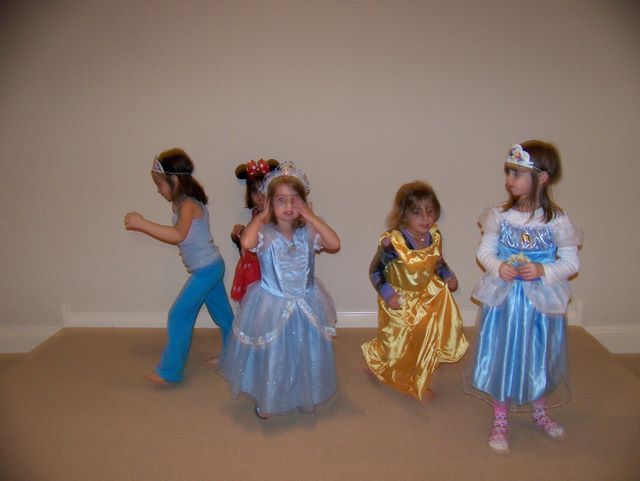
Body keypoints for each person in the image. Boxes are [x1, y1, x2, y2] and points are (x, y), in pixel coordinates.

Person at [466, 141, 581, 454]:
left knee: (537, 357)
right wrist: (498, 267)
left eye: (516, 173)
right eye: (508, 172)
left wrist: (544, 270)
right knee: (502, 354)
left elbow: (571, 263)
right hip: (506, 302)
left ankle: (540, 410)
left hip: (539, 305)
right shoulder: (500, 216)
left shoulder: (556, 221)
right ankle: (500, 416)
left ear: (541, 177)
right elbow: (485, 252)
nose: (509, 179)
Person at [219, 161, 340, 419]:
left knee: (303, 350)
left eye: (295, 200)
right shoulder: (265, 233)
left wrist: (311, 217)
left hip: (306, 300)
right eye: (281, 200)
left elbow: (334, 243)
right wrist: (262, 216)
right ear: (270, 204)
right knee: (275, 352)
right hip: (272, 302)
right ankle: (269, 398)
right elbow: (247, 242)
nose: (288, 206)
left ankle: (302, 392)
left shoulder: (308, 232)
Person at [124, 148, 233, 385]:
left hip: (207, 269)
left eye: (159, 183)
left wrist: (143, 224)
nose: (158, 189)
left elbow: (178, 235)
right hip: (211, 266)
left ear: (174, 179)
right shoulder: (184, 202)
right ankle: (234, 357)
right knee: (223, 315)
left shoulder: (188, 204)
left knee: (178, 315)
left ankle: (170, 372)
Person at [361, 181, 468, 401]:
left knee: (426, 335)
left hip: (427, 296)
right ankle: (376, 359)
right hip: (399, 299)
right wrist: (389, 295)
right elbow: (375, 271)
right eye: (417, 213)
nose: (426, 218)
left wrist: (448, 276)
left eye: (430, 211)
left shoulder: (434, 236)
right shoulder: (393, 243)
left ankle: (420, 376)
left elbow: (437, 262)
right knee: (395, 342)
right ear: (403, 215)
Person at [229, 159, 279, 302]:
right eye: (254, 191)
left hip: (268, 268)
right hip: (253, 267)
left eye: (263, 190)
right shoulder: (256, 213)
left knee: (267, 301)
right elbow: (253, 239)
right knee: (253, 302)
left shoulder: (276, 214)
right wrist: (241, 234)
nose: (259, 196)